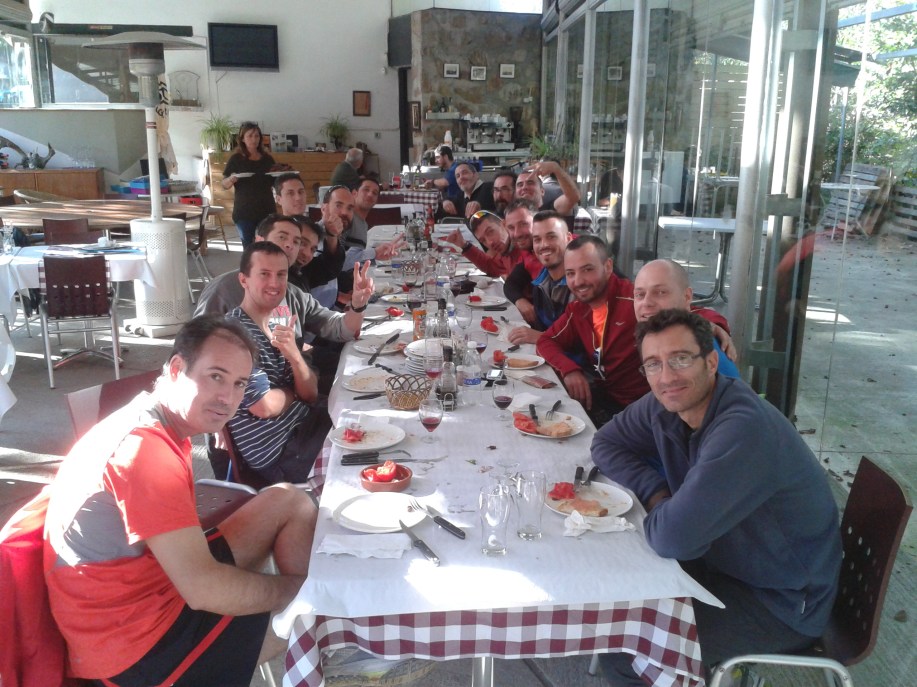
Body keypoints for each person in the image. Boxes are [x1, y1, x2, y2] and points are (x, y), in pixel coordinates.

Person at [43, 315, 317, 685]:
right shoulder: (146, 452)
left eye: (239, 383)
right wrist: (297, 590)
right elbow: (202, 590)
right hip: (132, 649)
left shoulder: (151, 418)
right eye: (215, 376)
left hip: (147, 584)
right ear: (176, 369)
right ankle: (316, 622)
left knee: (289, 500)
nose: (228, 398)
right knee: (312, 614)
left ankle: (310, 604)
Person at [591, 309, 841, 685]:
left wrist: (664, 509)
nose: (667, 376)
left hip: (780, 602)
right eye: (653, 364)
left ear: (711, 363)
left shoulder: (743, 428)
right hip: (724, 566)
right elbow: (605, 443)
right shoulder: (668, 403)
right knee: (615, 593)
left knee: (624, 646)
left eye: (680, 359)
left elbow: (672, 539)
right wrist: (656, 490)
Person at [227, 242, 372, 483]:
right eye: (264, 274)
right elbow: (264, 406)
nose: (275, 283)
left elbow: (311, 394)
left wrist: (294, 355)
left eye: (281, 275)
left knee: (372, 417)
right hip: (282, 451)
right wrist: (293, 392)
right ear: (244, 280)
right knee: (370, 457)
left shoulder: (280, 319)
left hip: (306, 423)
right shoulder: (234, 335)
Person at [194, 214, 363, 346]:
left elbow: (336, 326)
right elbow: (196, 343)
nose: (290, 245)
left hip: (294, 375)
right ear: (259, 240)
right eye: (282, 237)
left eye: (296, 242)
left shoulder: (294, 294)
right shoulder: (223, 288)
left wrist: (358, 305)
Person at [536, 235, 649, 427]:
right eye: (570, 273)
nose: (578, 281)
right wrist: (570, 370)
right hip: (603, 400)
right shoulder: (578, 309)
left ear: (608, 267)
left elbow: (690, 313)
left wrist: (712, 323)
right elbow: (545, 341)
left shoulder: (636, 300)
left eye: (587, 270)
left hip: (641, 412)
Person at [633, 259, 739, 377]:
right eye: (639, 295)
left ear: (687, 296)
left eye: (661, 292)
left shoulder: (702, 348)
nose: (646, 302)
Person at [504, 210, 574, 345]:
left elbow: (589, 343)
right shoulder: (540, 284)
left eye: (551, 237)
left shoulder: (581, 284)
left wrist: (541, 337)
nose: (544, 245)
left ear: (568, 239)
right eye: (537, 240)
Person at [221, 121, 277, 247]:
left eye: (257, 136)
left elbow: (275, 181)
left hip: (266, 209)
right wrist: (231, 179)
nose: (254, 139)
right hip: (244, 211)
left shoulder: (267, 159)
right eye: (250, 136)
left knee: (268, 245)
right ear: (242, 139)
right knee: (248, 247)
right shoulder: (236, 159)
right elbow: (224, 185)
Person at [444, 209, 536, 278]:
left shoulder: (526, 247)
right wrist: (464, 245)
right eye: (483, 240)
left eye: (490, 232)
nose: (490, 242)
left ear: (504, 224)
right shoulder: (506, 251)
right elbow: (491, 267)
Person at [515, 160, 580, 215]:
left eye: (530, 183)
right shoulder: (511, 213)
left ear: (542, 191)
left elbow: (573, 198)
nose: (524, 187)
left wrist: (556, 169)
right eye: (520, 185)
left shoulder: (553, 210)